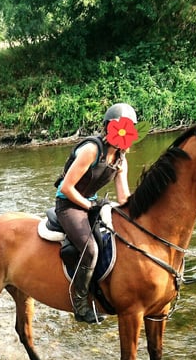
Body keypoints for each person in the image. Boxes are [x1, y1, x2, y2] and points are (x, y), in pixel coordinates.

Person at [55, 102, 139, 323]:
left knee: (109, 242)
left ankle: (100, 295)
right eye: (118, 127)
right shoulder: (91, 150)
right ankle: (80, 304)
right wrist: (90, 206)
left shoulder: (121, 159)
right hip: (69, 204)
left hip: (91, 203)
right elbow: (66, 188)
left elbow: (123, 198)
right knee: (90, 250)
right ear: (109, 128)